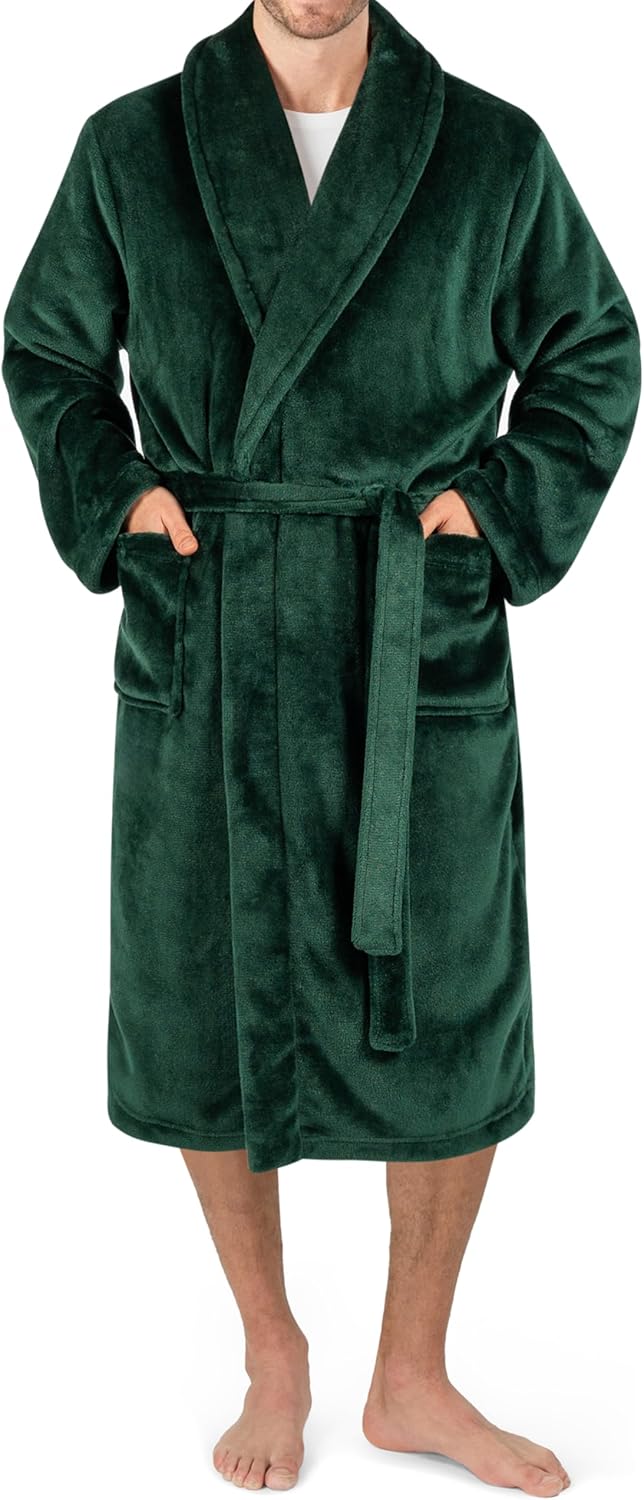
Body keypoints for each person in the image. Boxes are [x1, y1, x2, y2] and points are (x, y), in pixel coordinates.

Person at [3, 0, 640, 1493]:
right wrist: (120, 500)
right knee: (201, 987)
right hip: (213, 621)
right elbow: (47, 350)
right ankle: (271, 1347)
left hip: (410, 637)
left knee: (453, 997)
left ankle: (412, 1374)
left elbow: (595, 350)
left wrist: (493, 508)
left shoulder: (488, 149)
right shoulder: (134, 144)